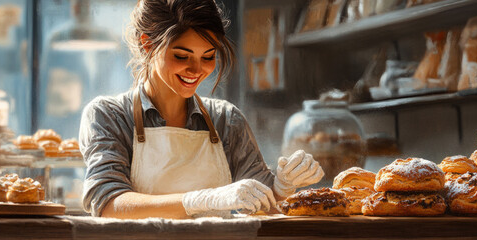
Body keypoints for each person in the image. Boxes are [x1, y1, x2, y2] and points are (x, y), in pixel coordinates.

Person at [79, 0, 323, 219]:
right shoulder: (109, 115)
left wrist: (282, 188)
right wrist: (200, 199)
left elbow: (266, 205)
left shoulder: (226, 120)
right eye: (182, 56)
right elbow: (108, 203)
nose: (196, 70)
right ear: (148, 44)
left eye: (208, 57)